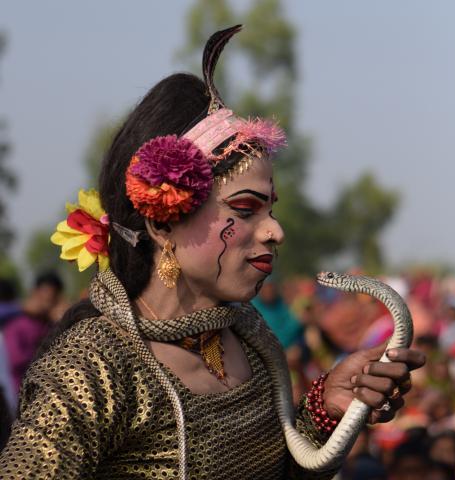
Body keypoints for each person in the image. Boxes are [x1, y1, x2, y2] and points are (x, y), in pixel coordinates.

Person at [0, 26, 424, 479]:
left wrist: (326, 410)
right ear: (162, 223)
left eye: (271, 210)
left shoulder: (248, 334)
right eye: (244, 209)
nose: (275, 231)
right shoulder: (91, 366)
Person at [2, 271, 64, 394]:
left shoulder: (52, 324)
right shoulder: (16, 325)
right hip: (26, 394)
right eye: (45, 296)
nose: (48, 301)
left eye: (53, 298)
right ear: (35, 293)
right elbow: (16, 360)